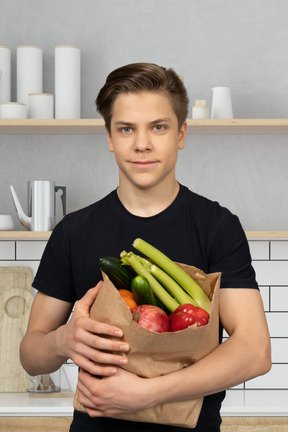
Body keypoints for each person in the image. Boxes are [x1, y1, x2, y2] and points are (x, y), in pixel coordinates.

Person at [20, 62, 271, 432]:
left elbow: (255, 352)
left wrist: (147, 393)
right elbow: (30, 355)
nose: (142, 143)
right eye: (125, 128)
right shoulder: (74, 231)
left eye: (158, 127)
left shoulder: (217, 226)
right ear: (109, 137)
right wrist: (62, 340)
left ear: (181, 133)